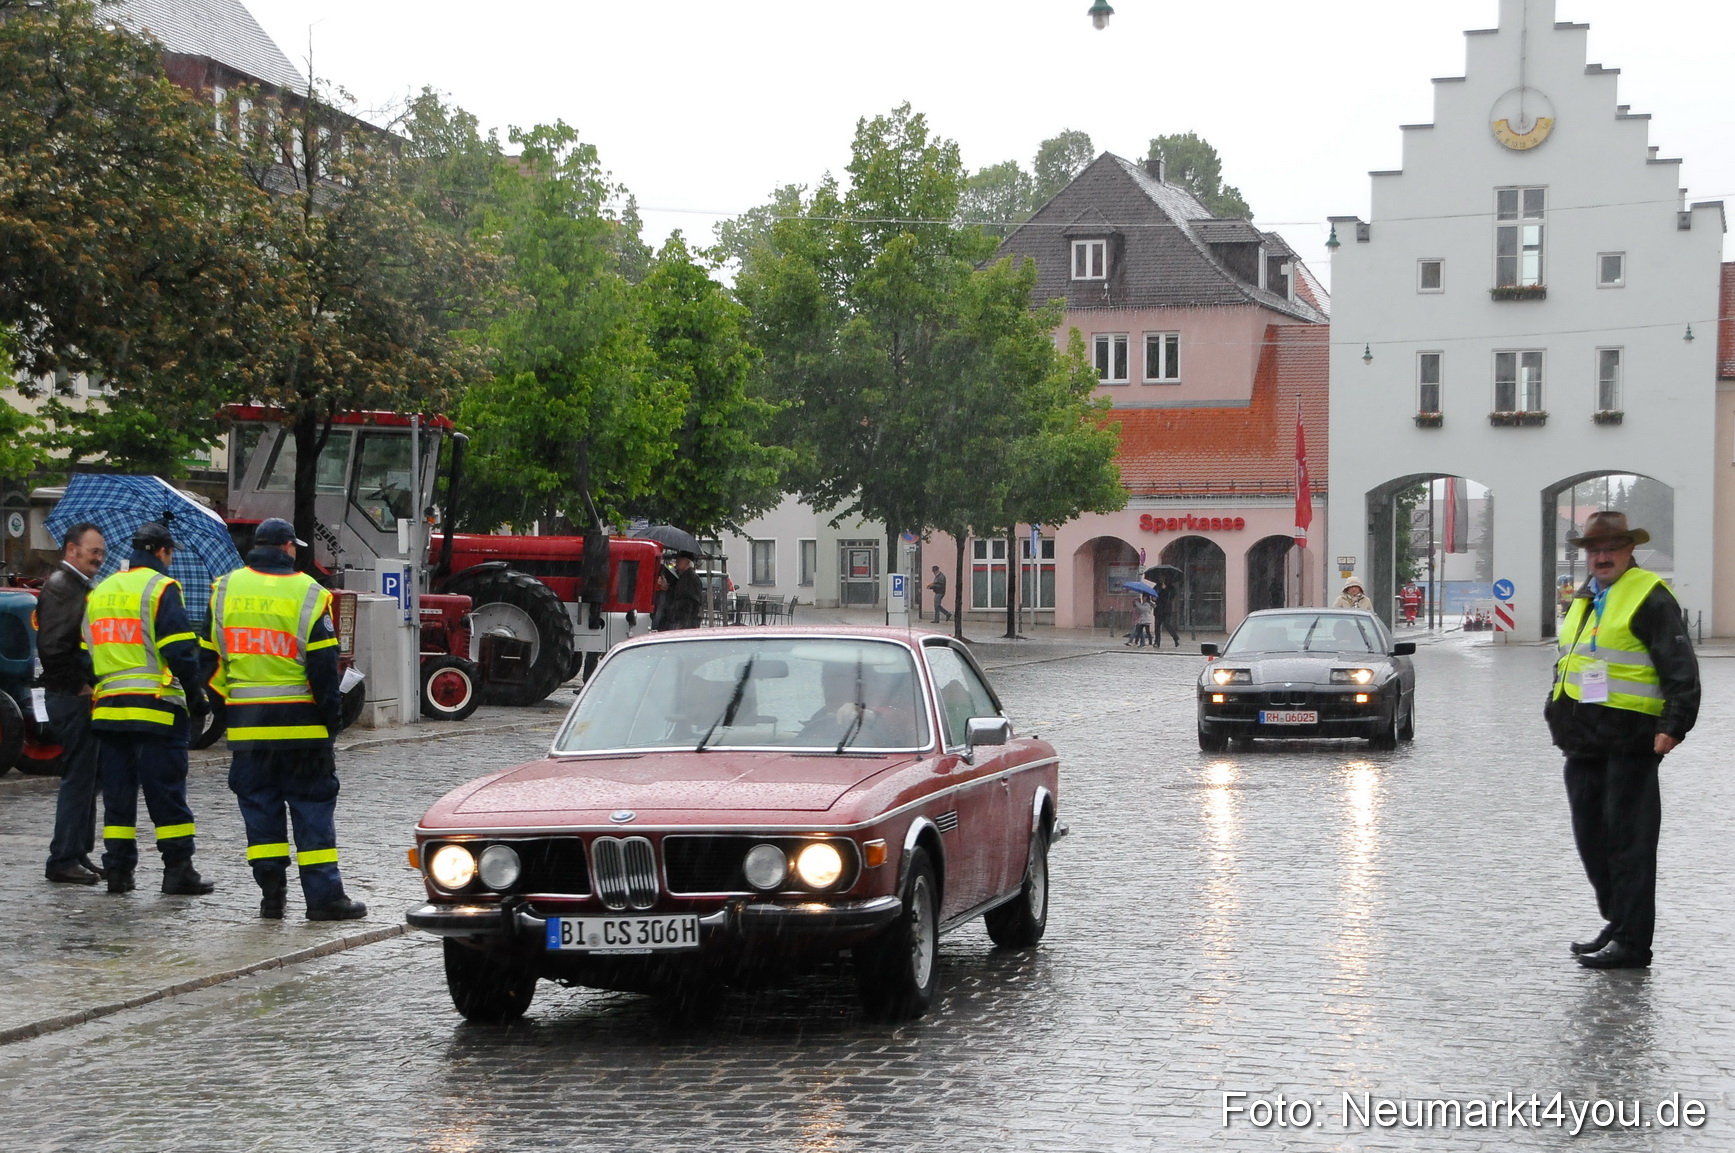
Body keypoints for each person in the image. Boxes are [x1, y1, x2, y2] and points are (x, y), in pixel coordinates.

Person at [1547, 511, 1699, 969]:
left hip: (1631, 741)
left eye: (1611, 548)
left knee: (1628, 845)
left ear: (1631, 550)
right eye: (1594, 550)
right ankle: (1617, 923)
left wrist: (1673, 726)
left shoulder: (1649, 595)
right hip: (1584, 742)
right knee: (1593, 842)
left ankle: (1633, 943)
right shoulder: (1585, 597)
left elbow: (1680, 667)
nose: (1601, 556)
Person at [205, 518, 365, 921]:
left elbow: (211, 662)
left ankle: (271, 897)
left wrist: (230, 709)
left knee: (260, 811)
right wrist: (332, 721)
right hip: (303, 730)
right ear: (289, 549)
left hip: (249, 729)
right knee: (312, 811)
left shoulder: (223, 591)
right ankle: (324, 899)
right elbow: (324, 669)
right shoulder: (309, 593)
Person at [84, 521, 214, 896]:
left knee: (118, 797)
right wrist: (196, 696)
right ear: (161, 551)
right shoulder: (161, 588)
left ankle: (119, 872)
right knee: (166, 793)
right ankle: (178, 870)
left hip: (109, 711)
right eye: (170, 554)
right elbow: (177, 650)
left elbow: (84, 652)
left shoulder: (101, 590)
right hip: (156, 710)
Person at [41, 523, 107, 884]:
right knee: (79, 779)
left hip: (76, 695)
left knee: (89, 778)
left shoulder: (77, 587)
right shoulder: (64, 587)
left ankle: (78, 851)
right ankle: (63, 857)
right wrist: (80, 686)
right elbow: (53, 648)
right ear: (71, 550)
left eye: (101, 551)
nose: (99, 556)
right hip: (70, 697)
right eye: (92, 550)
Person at [665, 552, 705, 630]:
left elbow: (689, 600)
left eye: (679, 560)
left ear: (687, 562)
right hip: (685, 619)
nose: (677, 562)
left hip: (686, 620)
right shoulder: (684, 576)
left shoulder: (690, 578)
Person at [1153, 579, 1181, 647]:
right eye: (1160, 577)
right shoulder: (1156, 587)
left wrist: (1165, 589)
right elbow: (1153, 594)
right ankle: (1157, 642)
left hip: (1166, 609)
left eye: (1162, 577)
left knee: (1166, 624)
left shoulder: (1170, 587)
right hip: (1158, 609)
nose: (1161, 578)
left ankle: (1175, 638)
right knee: (1157, 626)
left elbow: (1172, 595)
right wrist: (1153, 598)